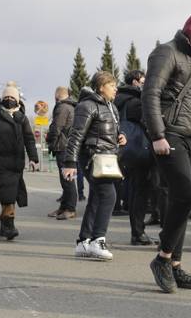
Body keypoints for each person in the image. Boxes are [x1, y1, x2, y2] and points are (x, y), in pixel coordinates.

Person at [143, 12, 191, 293]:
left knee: (186, 200)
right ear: (190, 33)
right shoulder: (166, 52)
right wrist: (158, 135)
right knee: (185, 193)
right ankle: (163, 258)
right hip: (171, 134)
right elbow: (150, 93)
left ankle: (175, 264)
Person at [63, 72, 127, 261]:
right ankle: (98, 240)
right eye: (112, 85)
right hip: (93, 157)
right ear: (101, 87)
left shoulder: (112, 107)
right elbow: (76, 135)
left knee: (97, 198)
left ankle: (84, 241)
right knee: (109, 196)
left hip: (108, 157)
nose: (115, 88)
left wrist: (120, 136)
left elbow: (109, 131)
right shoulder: (87, 106)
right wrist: (70, 163)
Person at [0, 86, 39, 240]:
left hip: (17, 164)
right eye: (6, 97)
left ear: (17, 100)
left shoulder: (22, 119)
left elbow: (29, 139)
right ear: (1, 99)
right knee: (8, 195)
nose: (9, 100)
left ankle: (5, 225)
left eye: (12, 98)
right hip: (0, 164)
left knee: (12, 195)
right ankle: (8, 226)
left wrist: (33, 158)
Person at [114, 70, 157, 246]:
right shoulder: (135, 103)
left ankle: (137, 232)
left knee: (133, 190)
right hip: (141, 152)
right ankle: (138, 233)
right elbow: (149, 123)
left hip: (127, 153)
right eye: (142, 81)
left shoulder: (119, 100)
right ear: (135, 82)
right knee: (140, 192)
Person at [46, 86, 78, 220]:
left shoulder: (62, 108)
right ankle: (64, 207)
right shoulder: (70, 106)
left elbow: (56, 128)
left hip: (63, 147)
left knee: (67, 180)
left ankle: (70, 208)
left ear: (57, 96)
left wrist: (51, 142)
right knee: (65, 179)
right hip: (66, 146)